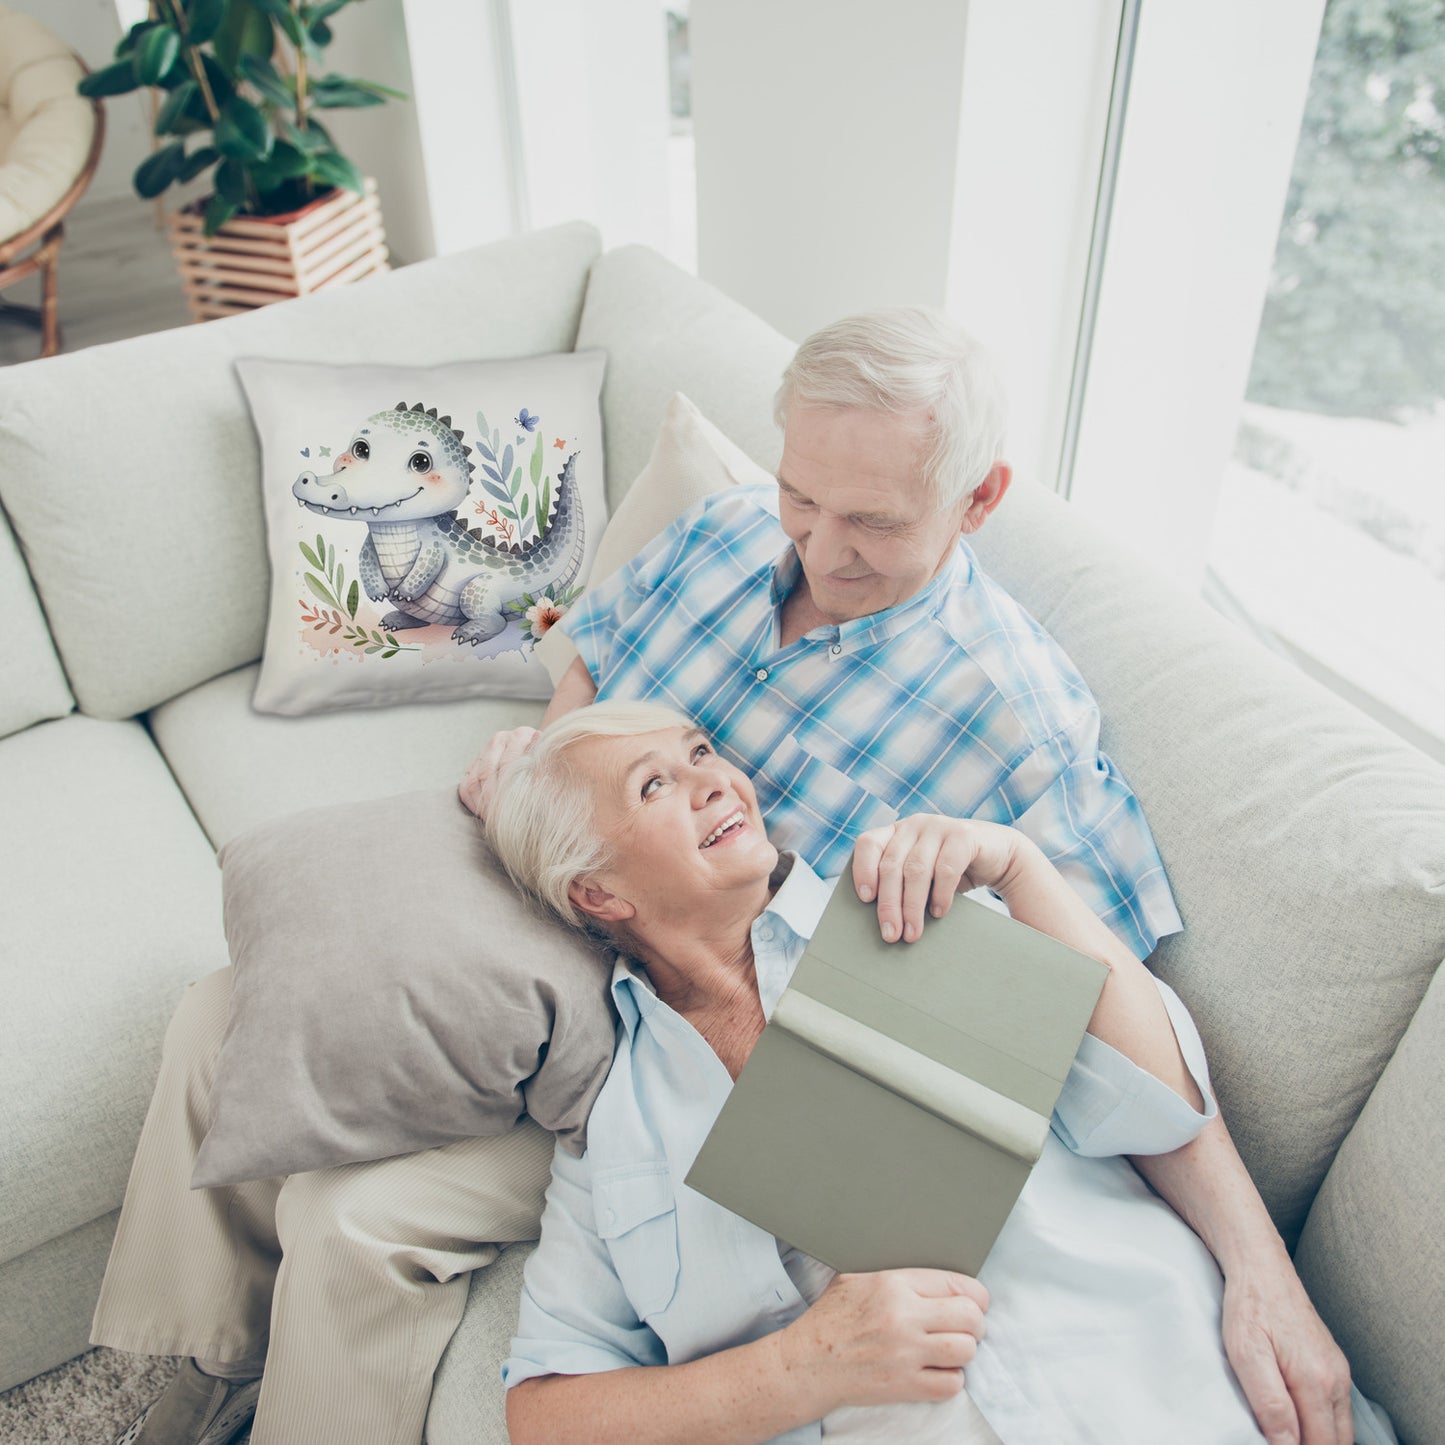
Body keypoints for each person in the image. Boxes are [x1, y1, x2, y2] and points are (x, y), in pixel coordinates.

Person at [94, 309, 1348, 1445]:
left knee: (355, 1218)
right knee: (229, 1007)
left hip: (692, 1014)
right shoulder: (726, 532)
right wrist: (546, 765)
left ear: (976, 501)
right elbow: (592, 665)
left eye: (871, 520)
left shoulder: (1016, 724)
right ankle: (191, 1364)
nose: (819, 545)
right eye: (804, 495)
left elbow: (1103, 1021)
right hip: (580, 887)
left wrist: (1260, 1267)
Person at [486, 701, 1384, 1445]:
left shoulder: (908, 907)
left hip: (1173, 1392)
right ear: (597, 893)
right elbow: (545, 1412)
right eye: (655, 784)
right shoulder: (615, 1131)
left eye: (700, 752)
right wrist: (803, 1367)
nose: (715, 779)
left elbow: (1158, 1106)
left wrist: (1021, 869)